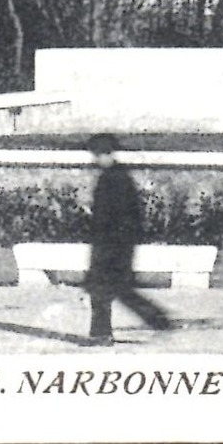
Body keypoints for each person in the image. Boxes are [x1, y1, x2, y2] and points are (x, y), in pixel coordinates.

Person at [84, 132, 172, 345]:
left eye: (98, 155)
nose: (95, 159)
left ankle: (101, 334)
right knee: (116, 289)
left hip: (112, 244)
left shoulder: (114, 179)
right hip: (116, 243)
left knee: (103, 289)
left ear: (106, 154)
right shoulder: (118, 176)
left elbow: (120, 215)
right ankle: (157, 319)